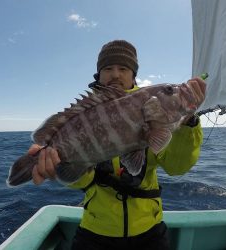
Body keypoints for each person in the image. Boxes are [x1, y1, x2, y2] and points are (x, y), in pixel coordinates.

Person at [29, 40, 206, 250]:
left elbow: (177, 168)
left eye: (123, 68)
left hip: (148, 228)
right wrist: (58, 165)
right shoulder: (87, 112)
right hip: (95, 228)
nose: (115, 74)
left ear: (133, 75)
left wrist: (189, 121)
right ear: (99, 74)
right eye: (108, 68)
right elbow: (79, 181)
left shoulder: (159, 117)